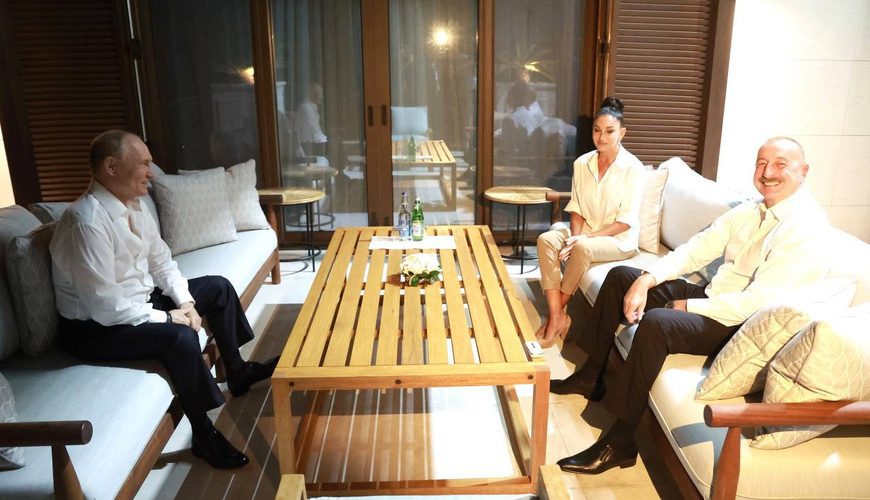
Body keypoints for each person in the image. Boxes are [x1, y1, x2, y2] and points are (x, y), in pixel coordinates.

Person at [552, 136, 829, 475]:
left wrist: (688, 308)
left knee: (657, 322)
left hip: (740, 322)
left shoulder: (805, 227)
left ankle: (621, 442)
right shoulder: (752, 209)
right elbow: (696, 249)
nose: (767, 172)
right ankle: (591, 375)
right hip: (717, 296)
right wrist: (646, 279)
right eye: (761, 163)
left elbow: (757, 303)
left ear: (803, 171)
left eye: (780, 164)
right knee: (622, 277)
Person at [50, 130, 278, 470]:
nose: (151, 173)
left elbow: (161, 262)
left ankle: (238, 371)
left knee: (217, 288)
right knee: (180, 338)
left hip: (136, 303)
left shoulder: (135, 205)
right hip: (95, 328)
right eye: (144, 164)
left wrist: (185, 303)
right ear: (111, 167)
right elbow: (105, 306)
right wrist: (170, 318)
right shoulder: (85, 223)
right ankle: (203, 434)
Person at [535, 97, 644, 347]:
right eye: (597, 130)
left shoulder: (633, 169)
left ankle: (553, 319)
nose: (602, 137)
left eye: (609, 131)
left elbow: (625, 222)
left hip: (618, 240)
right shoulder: (582, 163)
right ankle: (559, 315)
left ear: (622, 133)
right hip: (586, 233)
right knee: (546, 240)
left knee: (583, 247)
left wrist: (582, 240)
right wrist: (575, 237)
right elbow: (577, 209)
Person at [294, 82, 328, 156]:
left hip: (315, 142)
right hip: (310, 144)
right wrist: (325, 141)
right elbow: (312, 132)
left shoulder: (312, 106)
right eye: (320, 94)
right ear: (312, 94)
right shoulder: (306, 108)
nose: (322, 97)